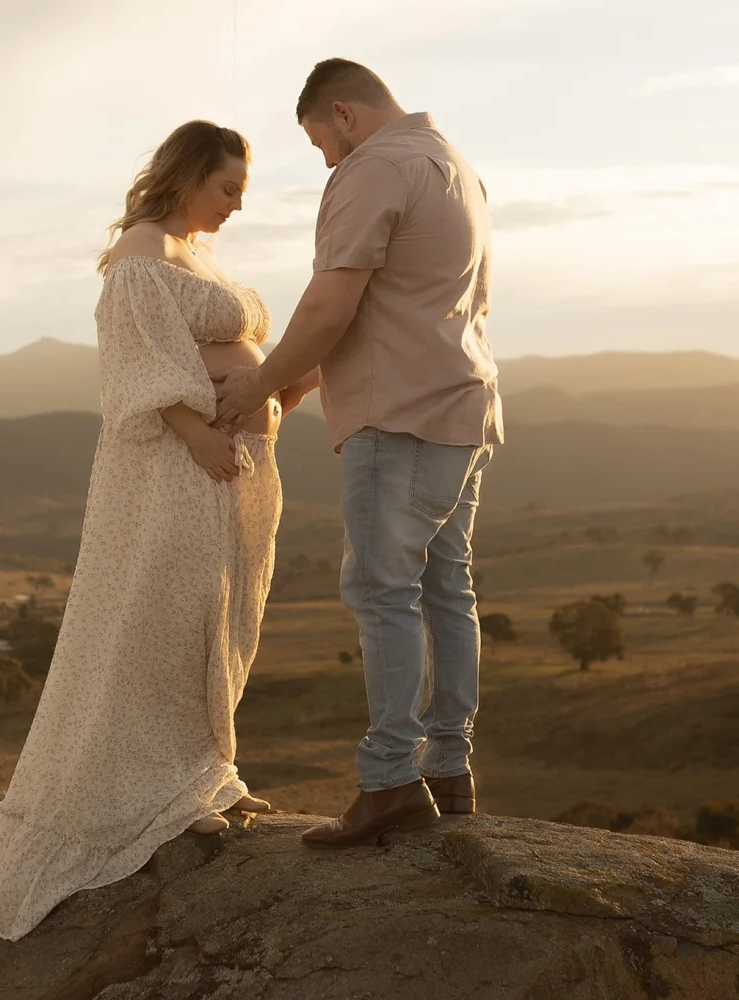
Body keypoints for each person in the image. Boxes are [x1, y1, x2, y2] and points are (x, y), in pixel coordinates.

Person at [0, 121, 288, 940]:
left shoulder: (187, 250)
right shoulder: (143, 251)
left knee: (208, 616)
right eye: (227, 187)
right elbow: (139, 355)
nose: (237, 204)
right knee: (162, 617)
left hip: (214, 466)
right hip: (173, 467)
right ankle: (150, 793)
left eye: (244, 190)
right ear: (187, 175)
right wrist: (196, 429)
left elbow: (224, 343)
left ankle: (198, 774)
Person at [216, 59, 503, 849]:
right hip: (463, 404)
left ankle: (389, 782)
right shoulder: (456, 167)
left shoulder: (372, 168)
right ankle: (450, 768)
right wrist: (308, 380)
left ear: (341, 114)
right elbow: (402, 305)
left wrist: (263, 383)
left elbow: (332, 300)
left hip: (399, 415)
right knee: (447, 589)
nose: (327, 161)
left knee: (383, 592)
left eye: (319, 144)